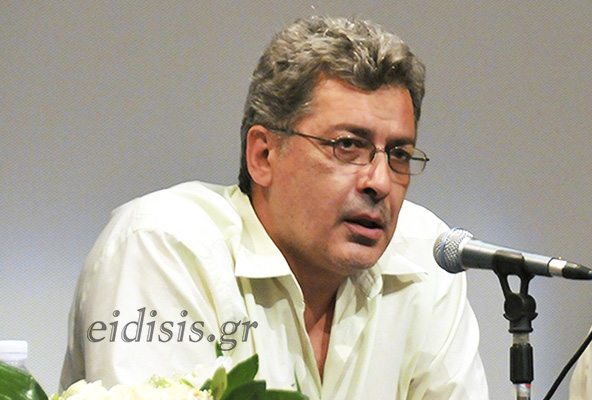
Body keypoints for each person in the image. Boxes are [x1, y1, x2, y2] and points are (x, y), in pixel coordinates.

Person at [60, 16, 489, 399]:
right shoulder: (165, 246)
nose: (379, 181)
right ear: (263, 155)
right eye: (347, 146)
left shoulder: (426, 258)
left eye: (398, 154)